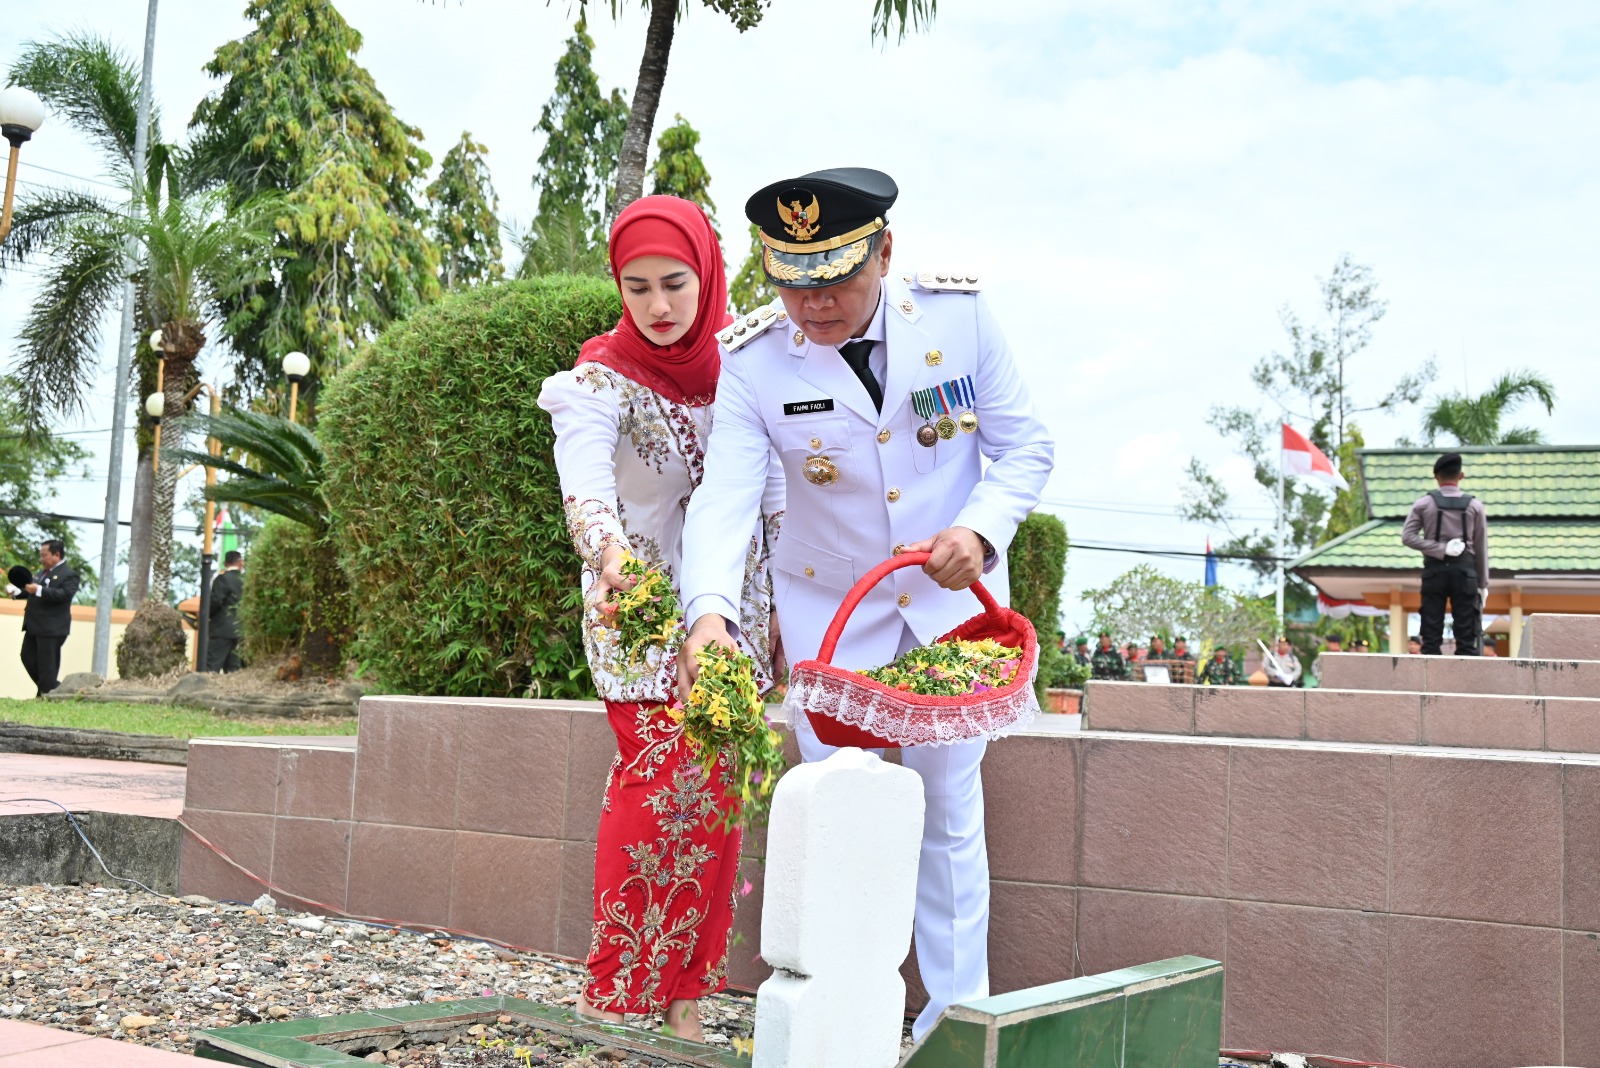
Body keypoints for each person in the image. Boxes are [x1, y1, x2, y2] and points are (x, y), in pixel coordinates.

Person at [676, 167, 1053, 1040]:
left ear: (886, 250)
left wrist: (982, 530)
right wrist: (709, 613)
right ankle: (836, 1027)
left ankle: (953, 1031)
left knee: (950, 818)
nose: (814, 304)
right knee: (838, 812)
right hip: (832, 622)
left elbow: (1025, 446)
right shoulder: (754, 362)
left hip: (945, 615)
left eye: (838, 277)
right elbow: (726, 497)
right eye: (792, 281)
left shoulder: (957, 321)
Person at [538, 196, 783, 1040]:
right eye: (636, 286)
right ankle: (611, 995)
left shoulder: (745, 370)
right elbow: (587, 487)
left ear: (706, 275)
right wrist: (608, 558)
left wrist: (780, 612)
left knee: (718, 802)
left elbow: (773, 498)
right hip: (637, 617)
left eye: (675, 283)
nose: (658, 305)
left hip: (734, 622)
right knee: (656, 790)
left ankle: (684, 1001)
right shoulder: (598, 380)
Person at [1402, 452, 1489, 656]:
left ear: (1436, 477)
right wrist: (1483, 584)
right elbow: (1481, 546)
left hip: (1435, 571)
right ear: (1461, 476)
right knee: (1467, 637)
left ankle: (1428, 683)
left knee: (1431, 638)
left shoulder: (1423, 504)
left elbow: (1407, 536)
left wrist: (1439, 549)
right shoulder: (1475, 506)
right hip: (1465, 572)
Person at [13, 540, 79, 697]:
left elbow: (65, 595)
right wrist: (17, 593)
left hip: (52, 627)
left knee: (47, 665)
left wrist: (40, 590)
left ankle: (46, 693)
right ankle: (52, 689)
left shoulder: (69, 574)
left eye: (44, 555)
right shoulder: (42, 573)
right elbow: (31, 590)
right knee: (27, 657)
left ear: (56, 555)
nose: (41, 559)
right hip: (33, 625)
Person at [206, 551, 245, 673]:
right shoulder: (246, 580)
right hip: (241, 629)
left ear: (224, 563)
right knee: (234, 668)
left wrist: (206, 615)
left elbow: (216, 601)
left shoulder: (222, 579)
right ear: (240, 563)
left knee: (212, 666)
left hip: (221, 629)